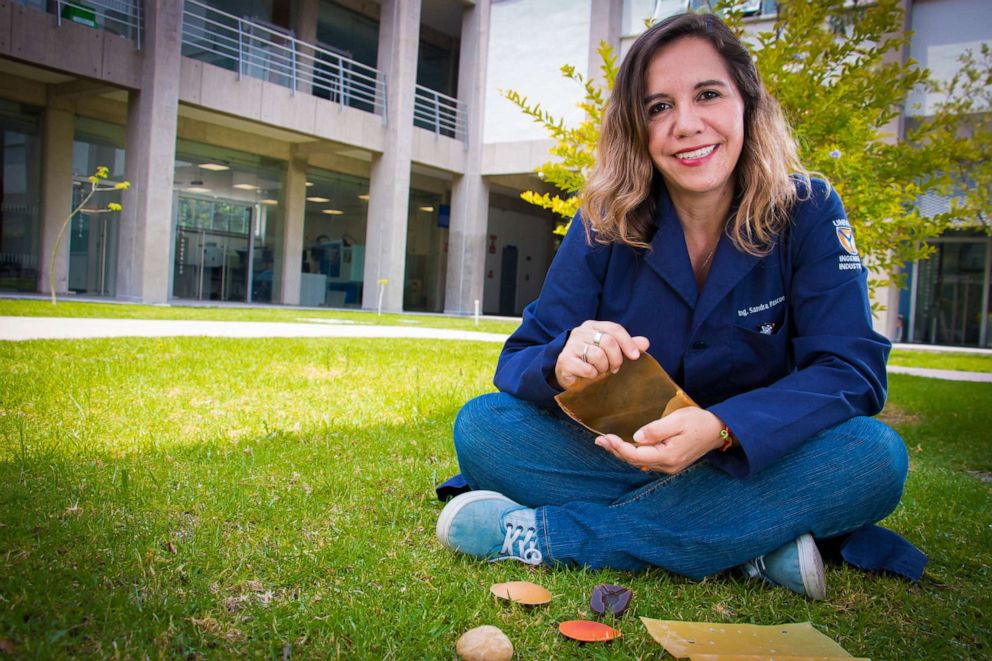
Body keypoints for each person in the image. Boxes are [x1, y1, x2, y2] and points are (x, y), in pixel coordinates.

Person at [435, 12, 915, 600]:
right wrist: (563, 361)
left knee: (874, 456)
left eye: (708, 94)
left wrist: (721, 430)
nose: (685, 125)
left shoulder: (810, 209)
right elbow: (521, 358)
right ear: (637, 128)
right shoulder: (604, 219)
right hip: (627, 455)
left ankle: (559, 538)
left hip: (757, 455)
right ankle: (748, 540)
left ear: (747, 104)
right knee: (485, 428)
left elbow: (851, 370)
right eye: (658, 107)